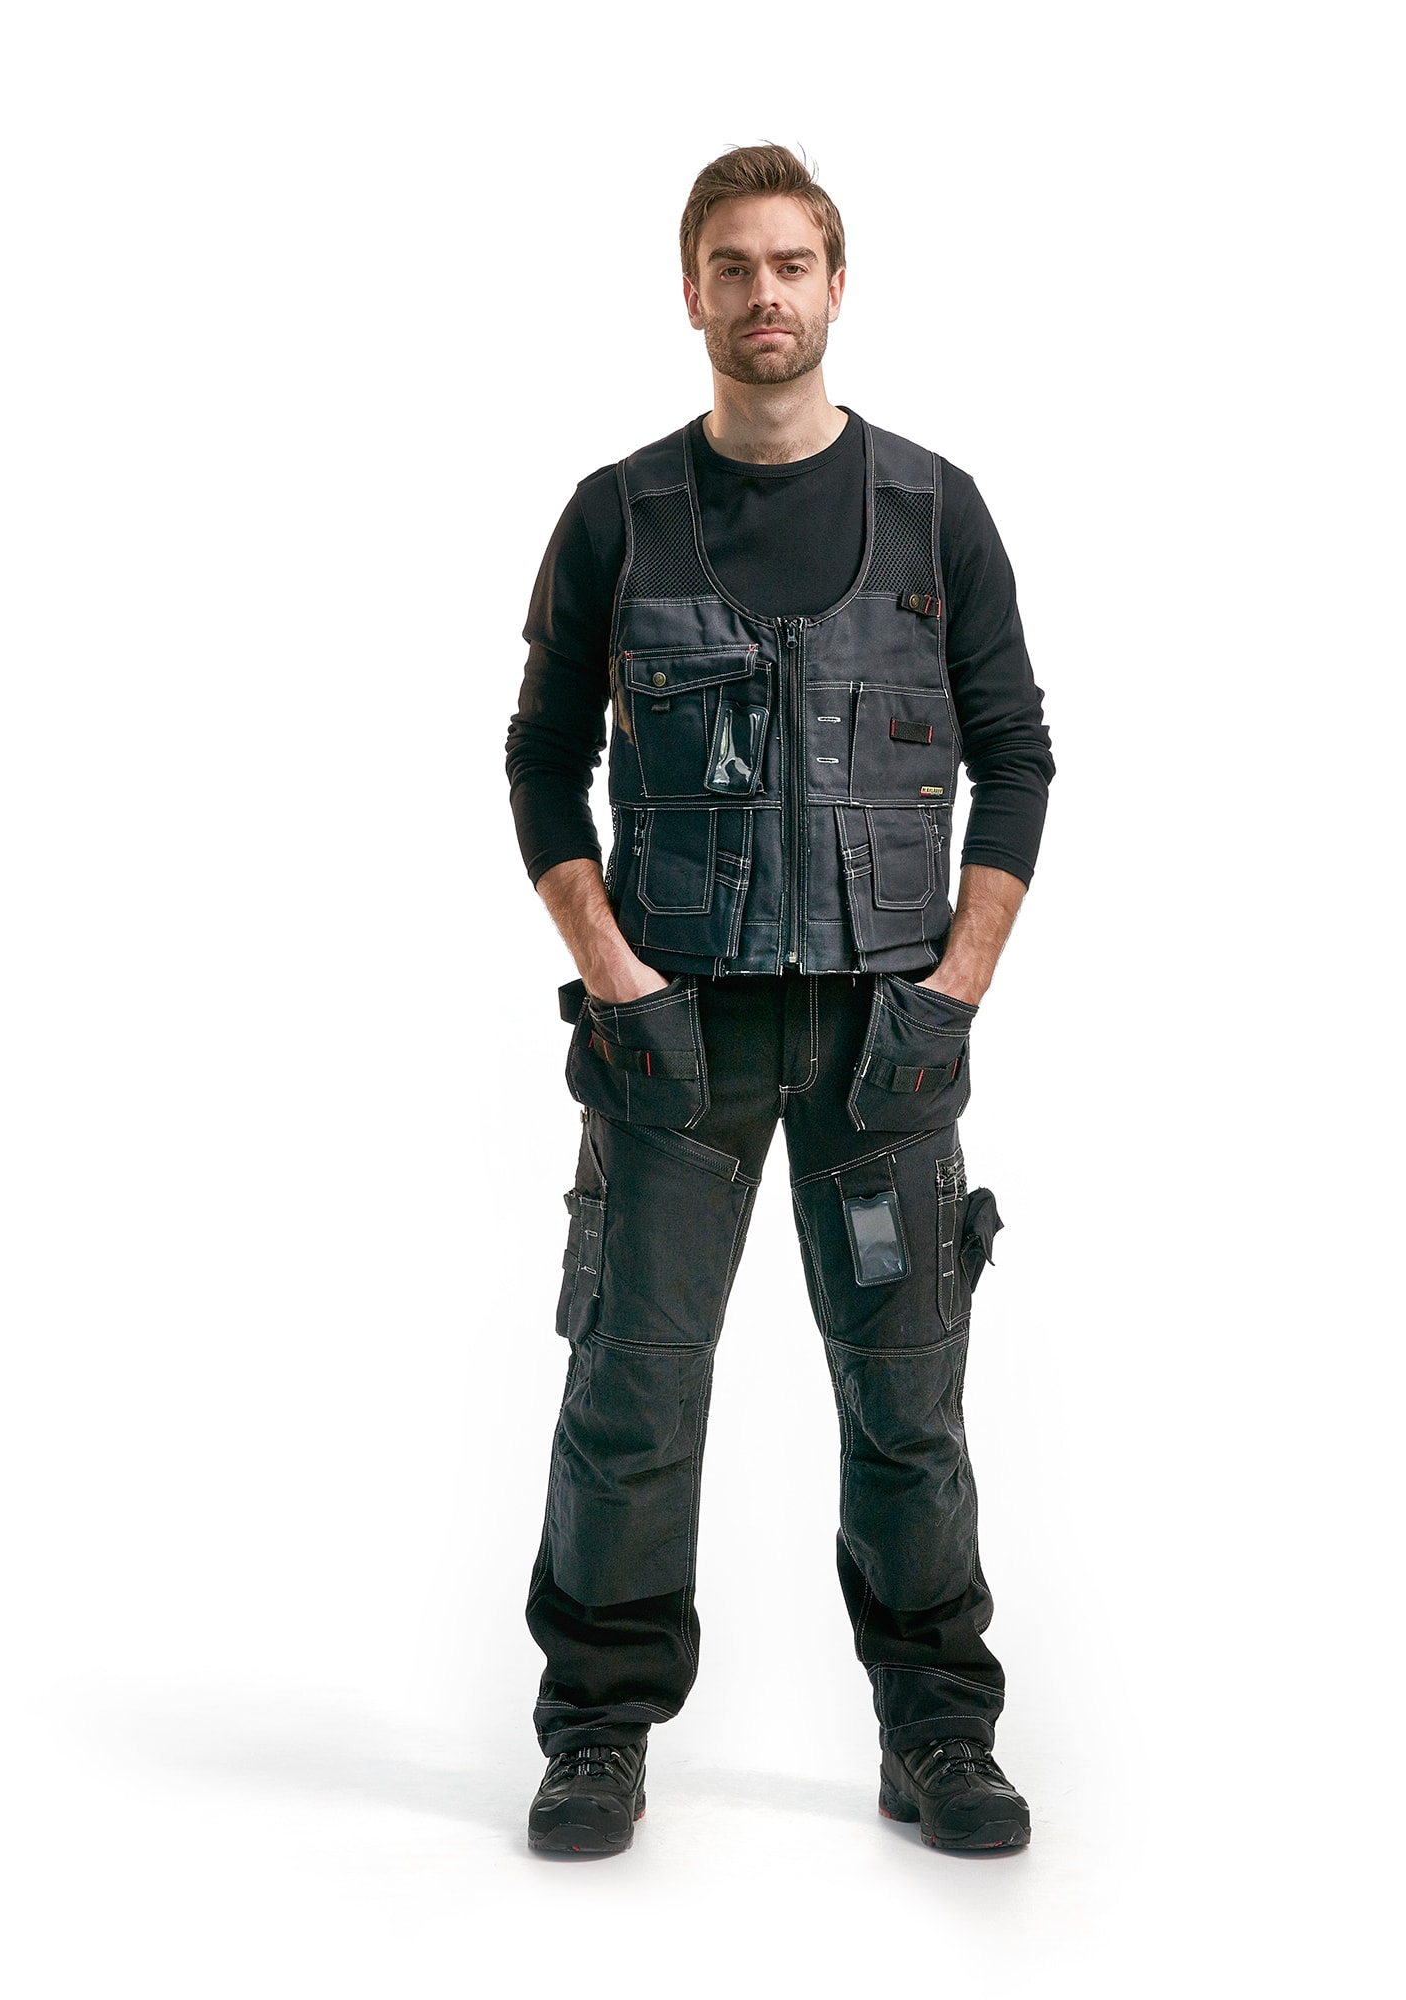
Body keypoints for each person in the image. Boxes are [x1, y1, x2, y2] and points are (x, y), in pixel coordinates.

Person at [504, 144, 1054, 1855]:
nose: (764, 294)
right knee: (631, 1396)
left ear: (836, 285)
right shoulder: (619, 515)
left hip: (890, 1048)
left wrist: (954, 991)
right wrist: (612, 970)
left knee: (910, 1406)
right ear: (692, 291)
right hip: (671, 1044)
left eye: (791, 264)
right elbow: (540, 763)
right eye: (732, 266)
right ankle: (597, 1732)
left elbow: (1019, 758)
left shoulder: (937, 514)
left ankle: (937, 1735)